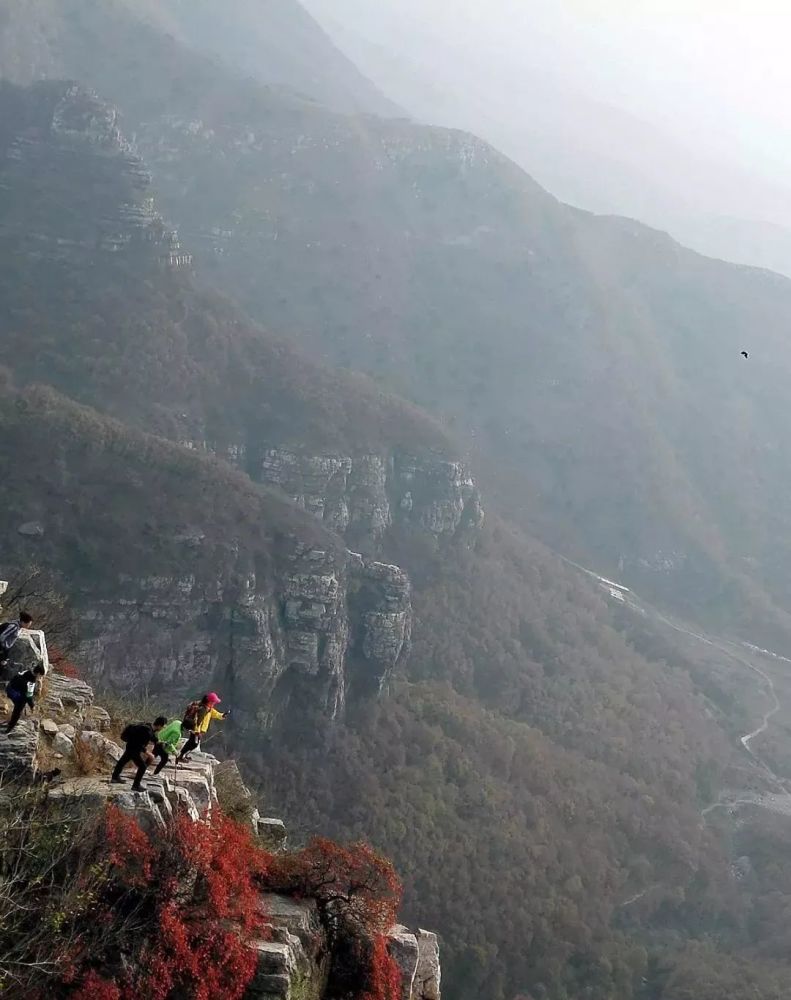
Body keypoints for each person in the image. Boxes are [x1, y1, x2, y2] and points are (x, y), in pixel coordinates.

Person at [111, 717, 167, 792]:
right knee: (143, 767)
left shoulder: (149, 727)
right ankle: (136, 786)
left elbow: (152, 737)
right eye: (163, 726)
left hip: (130, 746)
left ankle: (115, 777)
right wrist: (148, 753)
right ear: (160, 725)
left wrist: (158, 742)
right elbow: (139, 744)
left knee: (123, 761)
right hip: (134, 749)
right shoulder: (147, 731)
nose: (163, 728)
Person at [177, 692, 227, 763]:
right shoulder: (202, 710)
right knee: (193, 744)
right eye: (214, 702)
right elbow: (197, 722)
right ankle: (181, 756)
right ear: (210, 701)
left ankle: (183, 755)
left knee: (192, 743)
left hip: (198, 731)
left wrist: (222, 715)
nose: (214, 703)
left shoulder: (208, 708)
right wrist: (197, 732)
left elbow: (215, 714)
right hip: (196, 731)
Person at [5, 663, 45, 732]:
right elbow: (29, 697)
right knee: (18, 709)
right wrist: (32, 706)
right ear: (38, 673)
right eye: (41, 676)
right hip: (15, 694)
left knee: (22, 699)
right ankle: (10, 728)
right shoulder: (31, 682)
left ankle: (11, 722)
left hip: (10, 689)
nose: (40, 678)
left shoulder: (26, 672)